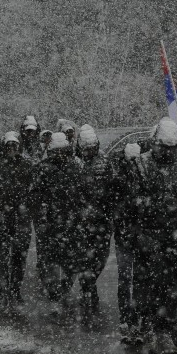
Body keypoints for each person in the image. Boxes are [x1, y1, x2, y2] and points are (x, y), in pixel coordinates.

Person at [129, 117, 177, 354]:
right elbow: (133, 202)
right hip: (149, 235)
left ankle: (165, 330)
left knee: (172, 286)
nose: (167, 152)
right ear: (155, 144)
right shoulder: (141, 165)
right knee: (147, 286)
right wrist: (157, 209)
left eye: (171, 147)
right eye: (163, 146)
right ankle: (148, 328)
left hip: (176, 236)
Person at [29, 132, 84, 305]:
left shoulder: (75, 167)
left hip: (69, 220)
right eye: (57, 152)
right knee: (52, 259)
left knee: (69, 260)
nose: (60, 155)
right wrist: (42, 213)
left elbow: (83, 193)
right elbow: (34, 195)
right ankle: (54, 292)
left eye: (62, 152)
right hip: (52, 221)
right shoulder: (43, 168)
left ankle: (64, 289)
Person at [0, 131, 33, 307]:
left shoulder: (26, 165)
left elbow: (32, 189)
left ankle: (15, 290)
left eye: (14, 146)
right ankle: (2, 290)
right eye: (9, 146)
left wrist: (24, 206)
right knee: (1, 257)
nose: (12, 149)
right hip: (0, 217)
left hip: (20, 217)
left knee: (19, 257)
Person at [72, 124, 114, 314]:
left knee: (101, 257)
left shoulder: (105, 161)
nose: (89, 151)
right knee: (83, 257)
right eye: (86, 147)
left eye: (92, 147)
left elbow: (113, 188)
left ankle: (90, 283)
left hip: (101, 218)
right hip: (81, 219)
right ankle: (88, 289)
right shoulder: (73, 163)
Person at [111, 142, 142, 342]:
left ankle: (133, 319)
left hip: (134, 236)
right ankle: (127, 318)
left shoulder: (138, 181)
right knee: (127, 279)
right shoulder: (120, 182)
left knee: (134, 279)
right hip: (127, 236)